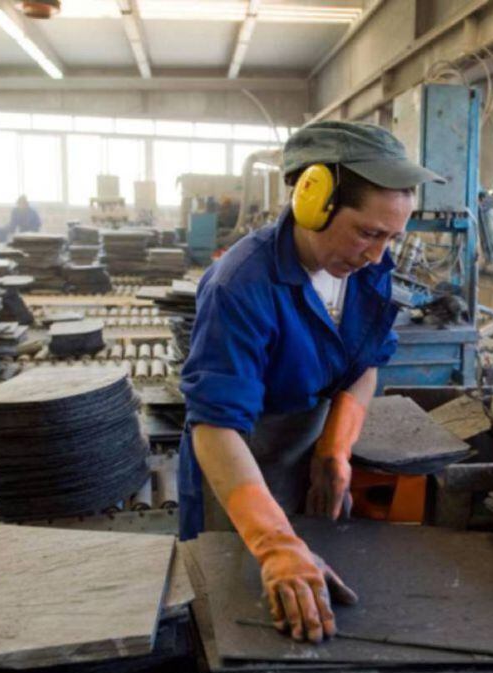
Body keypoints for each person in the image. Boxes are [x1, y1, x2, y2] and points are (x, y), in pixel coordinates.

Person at [178, 121, 443, 644]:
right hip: (238, 466)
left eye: (392, 237)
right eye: (367, 232)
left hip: (306, 453)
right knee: (237, 621)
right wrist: (275, 544)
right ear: (311, 200)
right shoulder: (242, 284)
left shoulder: (368, 269)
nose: (377, 254)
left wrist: (335, 449)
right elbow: (215, 426)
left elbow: (365, 363)